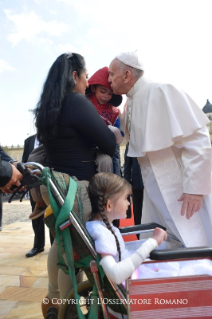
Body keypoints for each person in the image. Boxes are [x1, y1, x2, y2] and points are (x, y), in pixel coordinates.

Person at [34, 52, 116, 317]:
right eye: (85, 75)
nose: (87, 81)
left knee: (61, 241)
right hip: (76, 189)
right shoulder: (77, 102)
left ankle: (53, 298)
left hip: (55, 186)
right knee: (74, 253)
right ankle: (67, 311)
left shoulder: (49, 105)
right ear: (74, 76)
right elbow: (109, 143)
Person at [108, 51, 212, 248]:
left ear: (127, 75)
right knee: (163, 241)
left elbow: (198, 139)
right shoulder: (130, 103)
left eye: (112, 74)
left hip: (182, 186)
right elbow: (125, 136)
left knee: (196, 241)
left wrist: (195, 189)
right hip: (153, 188)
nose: (109, 79)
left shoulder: (162, 91)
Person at [86, 66, 123, 174]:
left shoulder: (115, 112)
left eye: (110, 93)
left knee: (108, 160)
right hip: (83, 143)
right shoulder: (83, 103)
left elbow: (119, 135)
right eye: (103, 91)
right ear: (93, 89)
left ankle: (112, 184)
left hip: (104, 147)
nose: (106, 96)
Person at [22, 134, 49, 257]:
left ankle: (55, 246)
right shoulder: (29, 140)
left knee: (52, 214)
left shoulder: (52, 136)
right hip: (33, 183)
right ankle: (38, 245)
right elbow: (24, 161)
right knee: (36, 215)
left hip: (49, 181)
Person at [124, 143, 144, 230]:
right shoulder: (131, 144)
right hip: (137, 183)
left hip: (151, 183)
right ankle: (139, 232)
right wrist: (127, 184)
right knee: (138, 211)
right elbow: (127, 166)